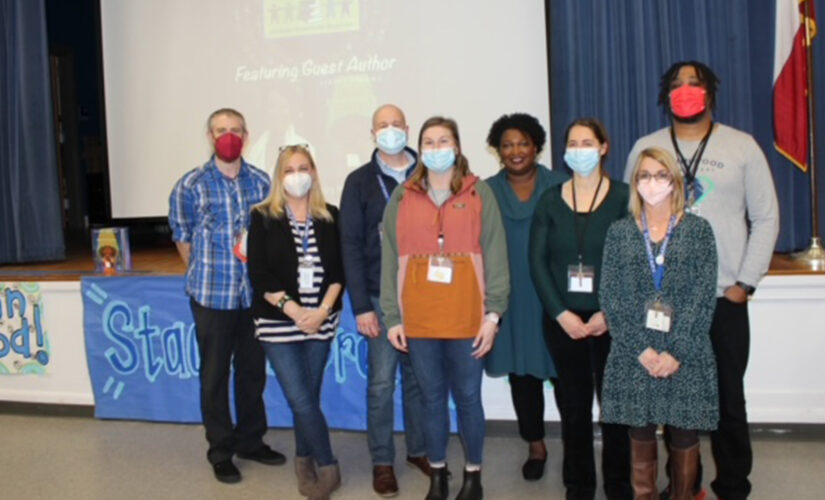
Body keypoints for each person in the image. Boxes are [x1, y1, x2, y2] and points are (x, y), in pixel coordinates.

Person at [624, 61, 780, 500]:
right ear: (665, 94)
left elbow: (766, 217)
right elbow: (631, 218)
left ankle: (732, 485)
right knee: (672, 398)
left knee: (729, 399)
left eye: (695, 83)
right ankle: (682, 486)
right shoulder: (646, 147)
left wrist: (744, 284)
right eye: (677, 84)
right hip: (664, 301)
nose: (686, 90)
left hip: (723, 298)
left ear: (710, 92)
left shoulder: (742, 146)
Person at [380, 116, 510, 500]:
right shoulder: (401, 197)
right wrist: (392, 317)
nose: (437, 149)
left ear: (457, 147)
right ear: (420, 151)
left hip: (468, 317)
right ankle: (438, 473)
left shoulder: (479, 193)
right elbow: (389, 259)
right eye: (429, 143)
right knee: (432, 399)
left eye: (444, 141)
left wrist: (493, 315)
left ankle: (473, 476)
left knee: (469, 398)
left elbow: (496, 257)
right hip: (418, 320)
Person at [168, 108, 285, 484]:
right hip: (211, 296)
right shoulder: (191, 185)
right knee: (214, 376)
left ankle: (252, 440)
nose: (228, 136)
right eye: (221, 131)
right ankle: (221, 450)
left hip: (253, 297)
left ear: (246, 136)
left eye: (235, 130)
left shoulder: (263, 182)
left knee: (252, 373)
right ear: (210, 136)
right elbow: (182, 237)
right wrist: (203, 273)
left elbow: (269, 236)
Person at [601, 147, 719, 500]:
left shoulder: (698, 231)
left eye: (661, 175)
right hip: (634, 352)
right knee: (639, 432)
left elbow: (703, 297)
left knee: (684, 434)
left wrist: (676, 352)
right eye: (644, 176)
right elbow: (611, 297)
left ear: (675, 181)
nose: (652, 183)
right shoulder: (620, 232)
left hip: (686, 350)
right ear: (635, 183)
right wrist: (642, 349)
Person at [529, 118, 632, 500]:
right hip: (563, 321)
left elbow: (633, 260)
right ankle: (579, 484)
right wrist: (560, 313)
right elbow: (537, 261)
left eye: (587, 142)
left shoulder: (624, 197)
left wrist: (610, 311)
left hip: (614, 321)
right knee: (573, 409)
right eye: (572, 143)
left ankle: (619, 484)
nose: (579, 149)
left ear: (604, 148)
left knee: (616, 409)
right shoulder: (551, 200)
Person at [339, 104, 430, 497]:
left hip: (427, 297)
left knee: (419, 379)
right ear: (372, 133)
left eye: (397, 124)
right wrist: (360, 306)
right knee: (380, 383)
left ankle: (419, 450)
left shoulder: (430, 174)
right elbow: (350, 246)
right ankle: (381, 460)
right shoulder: (359, 181)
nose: (390, 130)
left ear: (407, 129)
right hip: (379, 296)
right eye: (383, 125)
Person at [247, 144, 344, 500]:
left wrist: (320, 312)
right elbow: (258, 273)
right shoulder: (262, 216)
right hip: (277, 322)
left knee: (310, 394)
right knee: (301, 399)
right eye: (289, 170)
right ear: (279, 176)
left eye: (304, 167)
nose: (297, 175)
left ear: (314, 173)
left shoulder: (330, 215)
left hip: (321, 321)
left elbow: (338, 272)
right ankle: (329, 466)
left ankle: (303, 459)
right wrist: (293, 310)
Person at [483, 113, 568, 481]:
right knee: (522, 376)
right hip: (510, 297)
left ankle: (576, 445)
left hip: (557, 296)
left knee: (568, 375)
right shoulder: (484, 191)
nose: (515, 151)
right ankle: (535, 444)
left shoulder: (562, 185)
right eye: (507, 144)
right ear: (498, 151)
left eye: (523, 143)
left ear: (536, 146)